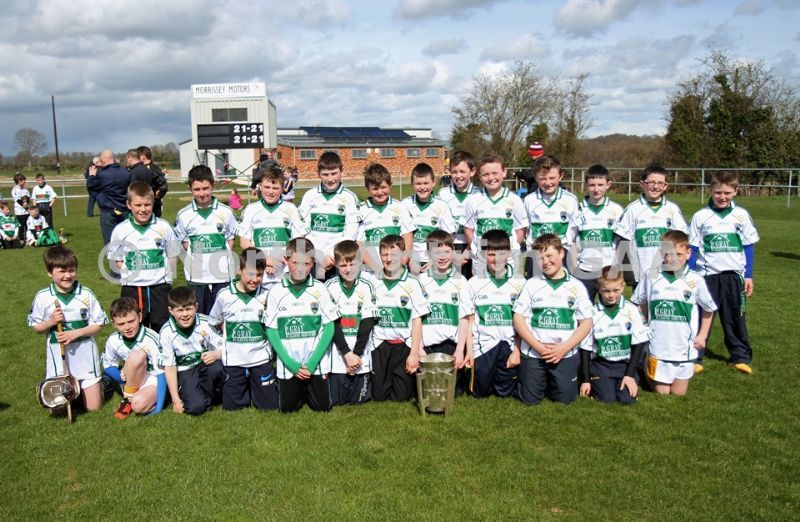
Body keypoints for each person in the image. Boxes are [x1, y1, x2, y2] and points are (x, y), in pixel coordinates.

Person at [688, 170, 759, 375]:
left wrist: (748, 275)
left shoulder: (741, 215)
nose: (722, 197)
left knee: (735, 317)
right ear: (710, 190)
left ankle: (740, 357)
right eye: (718, 192)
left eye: (727, 193)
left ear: (735, 191)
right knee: (701, 316)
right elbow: (692, 248)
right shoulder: (700, 216)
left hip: (734, 276)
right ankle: (695, 357)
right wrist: (689, 275)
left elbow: (748, 246)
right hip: (706, 276)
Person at [631, 230, 716, 396]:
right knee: (662, 392)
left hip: (684, 347)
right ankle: (646, 368)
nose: (673, 259)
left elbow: (708, 309)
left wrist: (702, 335)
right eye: (669, 254)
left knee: (678, 393)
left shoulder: (695, 279)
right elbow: (639, 302)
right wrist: (645, 324)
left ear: (688, 253)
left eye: (679, 254)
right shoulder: (651, 275)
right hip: (658, 346)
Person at [513, 234, 593, 405]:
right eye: (540, 258)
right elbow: (518, 319)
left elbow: (586, 323)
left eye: (549, 255)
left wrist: (563, 348)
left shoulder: (576, 286)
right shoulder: (531, 284)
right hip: (534, 352)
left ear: (561, 253)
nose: (545, 262)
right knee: (529, 400)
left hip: (564, 353)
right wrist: (539, 347)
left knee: (565, 401)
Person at [28, 246, 107, 413]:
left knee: (94, 408)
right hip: (59, 358)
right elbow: (37, 328)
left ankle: (101, 384)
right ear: (49, 272)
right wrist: (51, 321)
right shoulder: (43, 297)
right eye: (62, 271)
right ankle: (73, 390)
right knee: (58, 410)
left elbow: (99, 325)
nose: (68, 275)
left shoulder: (86, 294)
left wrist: (76, 333)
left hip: (85, 357)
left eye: (71, 270)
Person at [265, 237, 338, 413]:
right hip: (289, 364)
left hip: (315, 363)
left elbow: (329, 327)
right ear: (286, 260)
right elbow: (271, 329)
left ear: (313, 263)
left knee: (322, 408)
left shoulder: (320, 289)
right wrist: (291, 364)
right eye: (295, 262)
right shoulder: (276, 292)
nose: (300, 268)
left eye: (306, 263)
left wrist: (312, 364)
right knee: (288, 409)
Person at [208, 248, 278, 411]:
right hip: (234, 360)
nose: (255, 279)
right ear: (239, 270)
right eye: (251, 274)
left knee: (269, 406)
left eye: (259, 275)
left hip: (261, 358)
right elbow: (215, 320)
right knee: (233, 408)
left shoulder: (267, 295)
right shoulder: (224, 295)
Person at [107, 182, 178, 332]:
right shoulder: (120, 230)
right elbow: (116, 260)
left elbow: (172, 255)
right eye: (138, 205)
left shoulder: (164, 227)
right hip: (132, 289)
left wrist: (167, 277)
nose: (143, 209)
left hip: (160, 288)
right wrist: (131, 273)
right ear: (129, 204)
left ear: (153, 203)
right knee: (135, 330)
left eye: (147, 204)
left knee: (164, 328)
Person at [370, 234, 430, 402]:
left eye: (394, 254)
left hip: (403, 345)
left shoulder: (413, 283)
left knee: (401, 397)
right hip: (380, 344)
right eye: (385, 254)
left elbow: (417, 321)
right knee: (379, 396)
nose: (389, 259)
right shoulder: (372, 282)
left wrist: (414, 353)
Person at [466, 229, 524, 398]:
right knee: (480, 393)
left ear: (509, 254)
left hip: (509, 346)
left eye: (501, 254)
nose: (496, 259)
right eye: (491, 254)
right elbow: (469, 321)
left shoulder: (520, 282)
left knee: (505, 393)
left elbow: (523, 323)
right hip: (483, 346)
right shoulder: (474, 283)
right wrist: (469, 352)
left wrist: (517, 351)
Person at [173, 165, 239, 315]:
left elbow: (230, 241)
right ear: (190, 188)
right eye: (197, 189)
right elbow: (185, 243)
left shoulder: (226, 212)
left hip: (223, 276)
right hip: (197, 277)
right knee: (199, 319)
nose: (202, 193)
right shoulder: (183, 215)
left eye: (205, 188)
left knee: (224, 318)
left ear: (213, 186)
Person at [579, 266, 649, 404]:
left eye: (616, 290)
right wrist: (586, 380)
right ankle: (598, 385)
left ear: (623, 287)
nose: (611, 295)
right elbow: (585, 348)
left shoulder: (631, 310)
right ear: (599, 289)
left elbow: (639, 344)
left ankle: (630, 380)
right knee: (607, 400)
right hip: (601, 365)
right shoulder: (592, 313)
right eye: (606, 291)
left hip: (625, 365)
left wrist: (629, 375)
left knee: (627, 400)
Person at [325, 240, 378, 406]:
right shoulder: (329, 287)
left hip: (360, 358)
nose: (348, 270)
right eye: (343, 265)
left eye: (352, 264)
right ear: (336, 265)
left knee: (358, 401)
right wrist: (347, 354)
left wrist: (356, 355)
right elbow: (333, 324)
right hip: (339, 357)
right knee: (336, 401)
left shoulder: (368, 286)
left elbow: (367, 323)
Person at [239, 165, 309, 288]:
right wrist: (265, 260)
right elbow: (244, 242)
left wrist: (281, 258)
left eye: (275, 188)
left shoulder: (291, 209)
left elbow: (300, 241)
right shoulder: (251, 209)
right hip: (258, 274)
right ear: (260, 186)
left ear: (282, 189)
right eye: (267, 187)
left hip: (285, 272)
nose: (270, 192)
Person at [159, 286, 226, 415]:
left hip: (204, 366)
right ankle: (202, 397)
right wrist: (176, 400)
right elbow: (169, 366)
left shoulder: (206, 323)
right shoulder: (166, 332)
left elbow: (225, 347)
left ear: (196, 307)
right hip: (184, 371)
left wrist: (216, 354)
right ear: (171, 310)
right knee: (196, 408)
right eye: (180, 310)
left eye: (188, 309)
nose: (185, 314)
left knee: (218, 367)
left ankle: (209, 394)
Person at [615, 165, 687, 284]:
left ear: (665, 186)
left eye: (660, 183)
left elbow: (682, 240)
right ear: (642, 184)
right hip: (641, 274)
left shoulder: (672, 209)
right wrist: (629, 272)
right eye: (651, 182)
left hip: (668, 273)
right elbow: (623, 240)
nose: (655, 186)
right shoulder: (633, 209)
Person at [419, 230, 471, 391]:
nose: (442, 257)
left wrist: (460, 350)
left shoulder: (461, 281)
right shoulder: (420, 280)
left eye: (447, 252)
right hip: (426, 345)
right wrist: (418, 347)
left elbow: (464, 318)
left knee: (452, 392)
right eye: (437, 252)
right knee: (428, 391)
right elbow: (416, 318)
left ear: (453, 252)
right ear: (428, 254)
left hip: (451, 345)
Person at [462, 154, 528, 277]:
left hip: (509, 260)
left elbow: (520, 230)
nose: (491, 178)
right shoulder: (473, 200)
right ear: (480, 177)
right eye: (486, 174)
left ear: (504, 172)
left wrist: (509, 251)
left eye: (495, 173)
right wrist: (477, 250)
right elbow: (468, 229)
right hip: (481, 260)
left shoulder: (514, 200)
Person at [298, 151, 360, 280]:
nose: (330, 179)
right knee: (315, 292)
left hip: (338, 260)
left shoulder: (349, 197)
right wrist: (318, 256)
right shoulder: (310, 196)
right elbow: (302, 229)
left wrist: (332, 255)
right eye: (325, 174)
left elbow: (351, 233)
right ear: (318, 174)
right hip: (313, 259)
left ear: (342, 171)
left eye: (334, 173)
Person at [102, 297, 167, 418]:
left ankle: (140, 398)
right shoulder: (113, 340)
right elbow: (108, 365)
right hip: (133, 378)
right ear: (114, 324)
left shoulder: (152, 339)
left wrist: (159, 408)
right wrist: (119, 376)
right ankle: (128, 398)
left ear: (140, 317)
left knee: (138, 406)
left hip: (153, 379)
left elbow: (161, 374)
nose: (127, 327)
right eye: (121, 324)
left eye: (131, 321)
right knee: (134, 357)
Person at [568, 164, 625, 302]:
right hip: (584, 270)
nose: (596, 189)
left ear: (608, 185)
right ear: (586, 185)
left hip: (608, 270)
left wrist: (616, 267)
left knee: (608, 308)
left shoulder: (616, 210)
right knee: (583, 308)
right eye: (592, 185)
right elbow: (572, 241)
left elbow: (621, 242)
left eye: (600, 185)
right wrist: (574, 269)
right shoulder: (577, 210)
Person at [358, 163, 415, 273]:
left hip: (397, 269)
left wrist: (402, 263)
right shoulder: (361, 210)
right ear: (367, 188)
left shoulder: (400, 207)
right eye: (375, 189)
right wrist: (377, 268)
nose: (380, 192)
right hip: (372, 271)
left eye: (383, 187)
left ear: (390, 185)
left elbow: (407, 238)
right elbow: (360, 244)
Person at [402, 163, 456, 274]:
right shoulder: (404, 205)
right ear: (412, 184)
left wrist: (434, 260)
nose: (422, 187)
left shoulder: (442, 206)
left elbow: (449, 237)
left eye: (426, 183)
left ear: (433, 182)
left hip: (434, 262)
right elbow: (401, 237)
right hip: (410, 262)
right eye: (418, 183)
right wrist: (409, 259)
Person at [524, 155, 580, 255]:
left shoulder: (570, 200)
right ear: (535, 178)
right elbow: (526, 229)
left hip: (561, 254)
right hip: (536, 253)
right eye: (543, 179)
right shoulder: (529, 200)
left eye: (552, 178)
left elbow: (574, 230)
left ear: (561, 176)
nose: (548, 182)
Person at [437, 151, 481, 277]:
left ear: (472, 171)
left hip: (472, 248)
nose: (458, 176)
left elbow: (479, 227)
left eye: (462, 171)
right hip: (448, 249)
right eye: (454, 172)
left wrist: (467, 252)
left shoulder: (479, 194)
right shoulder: (443, 194)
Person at [86, 149, 130, 244]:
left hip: (108, 211)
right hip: (124, 209)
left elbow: (91, 187)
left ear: (102, 160)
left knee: (110, 242)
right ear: (113, 158)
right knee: (126, 240)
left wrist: (91, 176)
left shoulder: (102, 175)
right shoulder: (125, 172)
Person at [137, 146, 168, 217]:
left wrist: (154, 198)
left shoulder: (153, 169)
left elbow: (163, 187)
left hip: (153, 208)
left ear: (143, 157)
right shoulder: (143, 168)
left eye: (138, 156)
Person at [11, 172, 30, 243]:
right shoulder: (15, 190)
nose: (25, 181)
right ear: (19, 181)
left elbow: (28, 198)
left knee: (27, 225)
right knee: (21, 226)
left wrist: (27, 203)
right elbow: (17, 199)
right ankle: (21, 239)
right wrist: (23, 204)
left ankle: (28, 239)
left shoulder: (25, 189)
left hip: (26, 211)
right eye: (23, 180)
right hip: (19, 212)